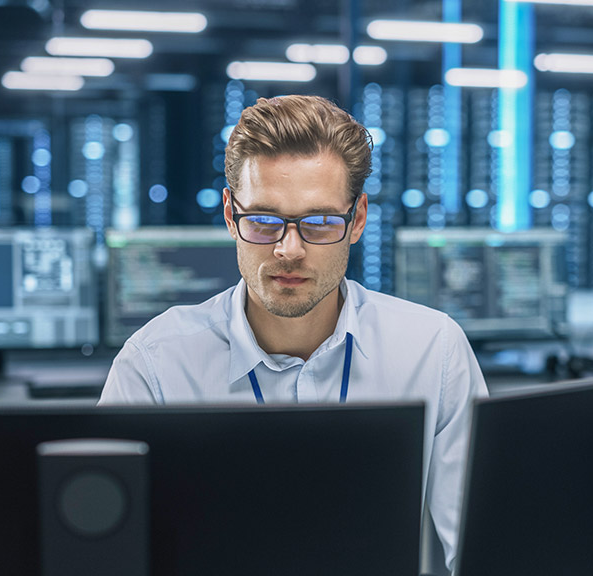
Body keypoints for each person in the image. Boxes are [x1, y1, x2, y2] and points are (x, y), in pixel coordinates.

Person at [100, 94, 488, 571]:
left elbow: (482, 551)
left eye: (320, 223)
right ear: (230, 215)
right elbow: (107, 554)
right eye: (263, 222)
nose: (289, 250)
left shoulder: (433, 352)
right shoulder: (155, 365)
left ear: (357, 220)